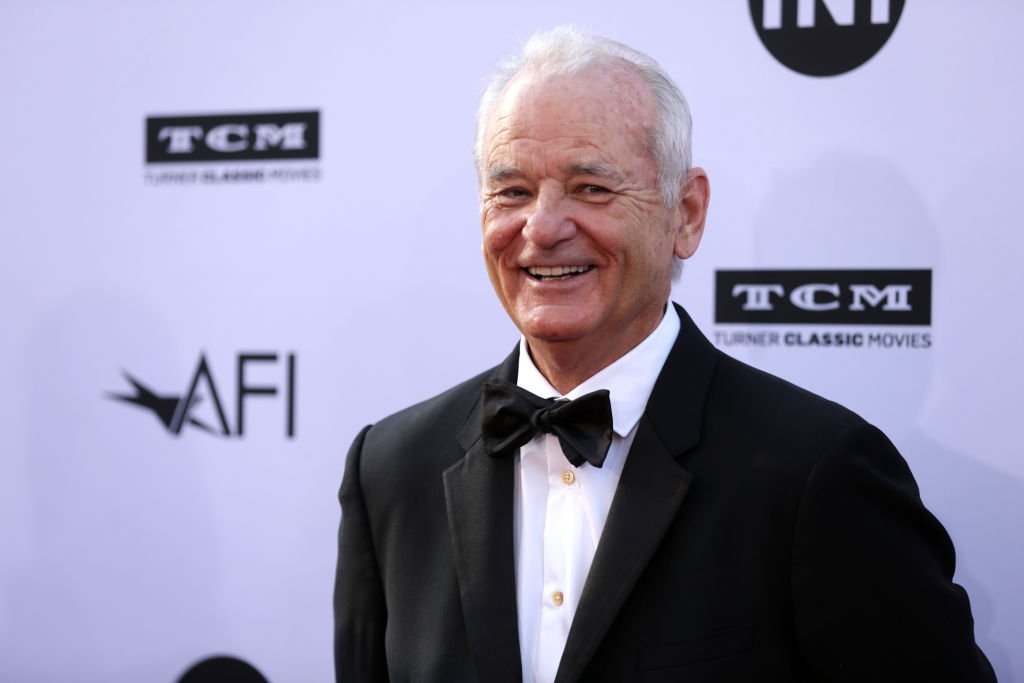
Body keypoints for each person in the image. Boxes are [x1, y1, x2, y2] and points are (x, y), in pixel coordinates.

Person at [334, 26, 995, 682]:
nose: (541, 226)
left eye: (591, 187)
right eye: (512, 191)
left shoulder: (817, 473)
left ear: (686, 213)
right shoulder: (390, 469)